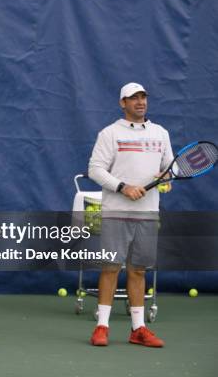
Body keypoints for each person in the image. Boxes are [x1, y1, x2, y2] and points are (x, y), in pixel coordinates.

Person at [88, 82, 173, 348]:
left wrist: (164, 178)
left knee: (138, 270)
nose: (140, 102)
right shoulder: (110, 133)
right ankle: (102, 326)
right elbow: (95, 169)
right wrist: (123, 187)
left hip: (147, 212)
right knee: (111, 267)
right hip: (116, 211)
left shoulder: (161, 133)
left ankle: (138, 329)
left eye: (143, 97)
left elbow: (168, 170)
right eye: (133, 98)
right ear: (122, 103)